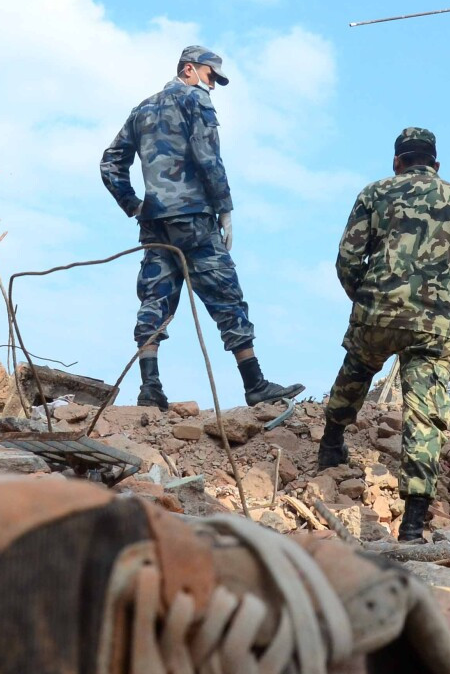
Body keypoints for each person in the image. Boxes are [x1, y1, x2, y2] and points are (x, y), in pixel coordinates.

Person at [101, 45, 303, 409]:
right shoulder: (195, 101)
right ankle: (254, 383)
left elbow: (110, 164)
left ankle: (150, 388)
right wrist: (225, 209)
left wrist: (134, 205)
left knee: (154, 298)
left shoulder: (142, 109)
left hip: (155, 223)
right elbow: (209, 158)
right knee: (226, 295)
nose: (213, 86)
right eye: (211, 76)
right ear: (190, 69)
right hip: (194, 218)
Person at [318, 127, 450, 543]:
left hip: (377, 312)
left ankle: (332, 443)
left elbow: (348, 257)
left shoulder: (374, 193)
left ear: (397, 162)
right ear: (436, 164)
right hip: (434, 324)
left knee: (356, 369)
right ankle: (412, 522)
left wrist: (368, 300)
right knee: (424, 413)